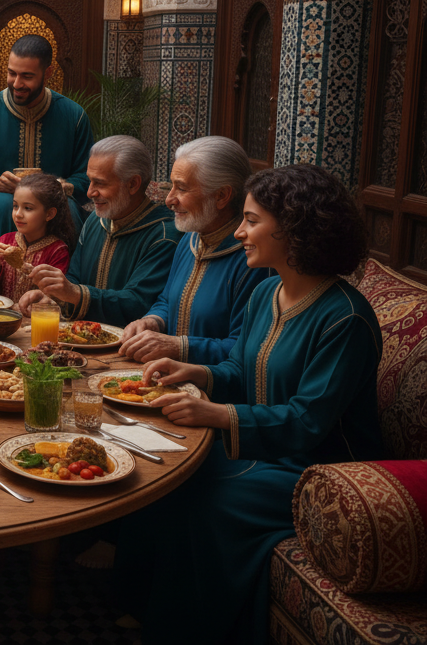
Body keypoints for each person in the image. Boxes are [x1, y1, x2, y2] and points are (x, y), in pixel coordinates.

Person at [115, 164, 384, 645]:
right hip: (259, 447)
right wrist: (197, 373)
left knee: (204, 499)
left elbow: (308, 420)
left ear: (297, 227)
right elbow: (241, 371)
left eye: (251, 220)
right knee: (156, 466)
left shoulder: (345, 318)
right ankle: (144, 608)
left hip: (318, 470)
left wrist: (217, 414)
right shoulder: (266, 293)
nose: (239, 232)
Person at [120, 136, 271, 363]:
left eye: (181, 188)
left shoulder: (253, 259)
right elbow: (167, 300)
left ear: (221, 195)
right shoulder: (190, 239)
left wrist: (178, 347)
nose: (169, 199)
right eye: (171, 186)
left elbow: (246, 349)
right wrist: (152, 320)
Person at [19, 135, 181, 325]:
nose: (89, 192)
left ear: (133, 184)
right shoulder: (96, 220)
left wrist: (74, 293)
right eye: (90, 181)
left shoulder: (164, 234)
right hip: (80, 337)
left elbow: (139, 303)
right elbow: (74, 278)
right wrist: (56, 299)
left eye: (100, 183)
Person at [0, 34, 94, 251]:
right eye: (12, 73)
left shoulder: (74, 116)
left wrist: (61, 187)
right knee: (1, 204)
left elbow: (87, 176)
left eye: (27, 76)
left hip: (56, 205)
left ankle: (64, 284)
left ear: (48, 72)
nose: (17, 83)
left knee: (67, 209)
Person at [0, 173, 74, 305]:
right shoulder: (5, 240)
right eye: (15, 206)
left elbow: (56, 297)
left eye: (28, 208)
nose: (18, 214)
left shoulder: (57, 251)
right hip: (2, 318)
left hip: (35, 319)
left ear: (49, 214)